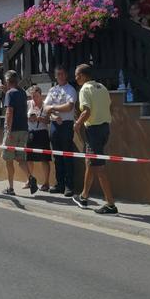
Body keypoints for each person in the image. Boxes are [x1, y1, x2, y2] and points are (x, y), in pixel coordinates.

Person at [72, 64, 116, 214]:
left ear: (83, 76)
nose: (76, 78)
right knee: (90, 162)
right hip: (105, 129)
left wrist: (77, 124)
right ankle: (84, 196)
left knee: (99, 168)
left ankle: (111, 204)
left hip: (94, 131)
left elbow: (87, 111)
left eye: (77, 75)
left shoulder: (84, 89)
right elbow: (111, 108)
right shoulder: (102, 87)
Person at [1, 70, 37, 195]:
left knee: (9, 160)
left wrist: (8, 130)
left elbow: (9, 112)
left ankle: (10, 188)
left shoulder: (10, 93)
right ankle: (31, 178)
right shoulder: (22, 92)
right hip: (24, 129)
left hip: (13, 130)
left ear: (7, 81)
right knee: (21, 158)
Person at [43, 65, 77, 196]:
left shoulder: (70, 89)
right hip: (54, 126)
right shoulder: (52, 90)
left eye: (62, 74)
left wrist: (53, 108)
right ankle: (59, 184)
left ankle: (69, 186)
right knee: (57, 156)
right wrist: (52, 115)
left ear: (66, 75)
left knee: (67, 156)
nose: (60, 76)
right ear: (55, 76)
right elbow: (45, 108)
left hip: (66, 125)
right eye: (58, 74)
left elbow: (69, 107)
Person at [26, 85, 52, 192]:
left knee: (44, 159)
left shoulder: (46, 105)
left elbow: (49, 121)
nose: (34, 99)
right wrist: (29, 117)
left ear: (41, 95)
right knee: (29, 158)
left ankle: (46, 183)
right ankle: (30, 180)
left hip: (42, 133)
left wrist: (38, 118)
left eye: (36, 96)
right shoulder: (28, 104)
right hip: (31, 133)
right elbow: (23, 116)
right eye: (32, 97)